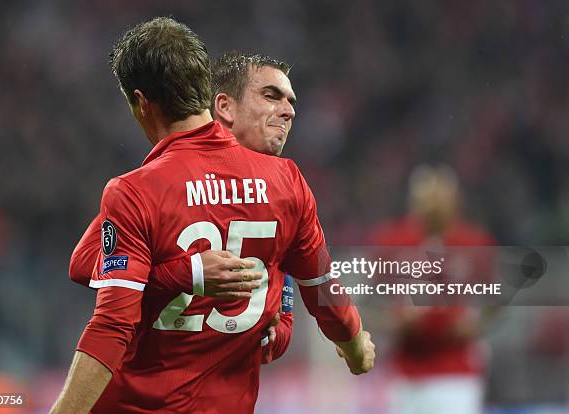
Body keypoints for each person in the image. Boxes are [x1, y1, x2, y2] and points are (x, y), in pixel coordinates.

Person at [50, 17, 374, 414]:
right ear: (211, 96)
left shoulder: (138, 189)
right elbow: (322, 283)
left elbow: (105, 309)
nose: (287, 112)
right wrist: (355, 344)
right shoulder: (287, 182)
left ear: (141, 102)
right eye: (272, 97)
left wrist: (278, 312)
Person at [68, 52, 305, 364]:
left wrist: (280, 330)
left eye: (290, 102)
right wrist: (186, 273)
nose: (288, 112)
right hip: (154, 376)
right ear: (224, 108)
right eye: (270, 96)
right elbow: (85, 263)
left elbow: (289, 274)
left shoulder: (283, 187)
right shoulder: (168, 178)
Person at [367, 165, 496, 414]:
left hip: (456, 370)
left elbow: (498, 300)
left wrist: (474, 325)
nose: (433, 207)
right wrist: (393, 322)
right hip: (406, 370)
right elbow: (368, 302)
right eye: (427, 199)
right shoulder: (391, 241)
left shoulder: (474, 242)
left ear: (455, 200)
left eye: (440, 199)